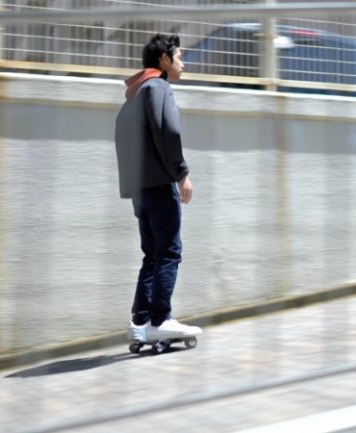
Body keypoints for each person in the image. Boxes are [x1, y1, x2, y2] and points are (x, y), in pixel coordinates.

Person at [114, 33, 202, 343]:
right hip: (160, 186)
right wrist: (181, 173)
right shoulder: (158, 87)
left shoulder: (133, 96)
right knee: (168, 252)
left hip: (140, 190)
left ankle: (140, 322)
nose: (183, 64)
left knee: (151, 255)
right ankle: (161, 319)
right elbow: (168, 130)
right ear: (164, 60)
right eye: (179, 57)